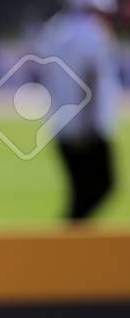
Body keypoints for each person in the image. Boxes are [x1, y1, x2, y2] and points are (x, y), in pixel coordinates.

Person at [36, 0, 121, 220]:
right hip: (86, 127)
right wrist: (85, 125)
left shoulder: (55, 28)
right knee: (100, 188)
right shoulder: (93, 33)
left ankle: (69, 244)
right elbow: (88, 80)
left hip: (61, 124)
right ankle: (67, 245)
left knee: (81, 195)